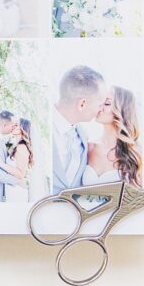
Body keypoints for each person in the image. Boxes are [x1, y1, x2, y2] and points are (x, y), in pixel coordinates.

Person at [52, 65, 106, 194]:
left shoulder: (83, 137)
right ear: (82, 104)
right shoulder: (41, 127)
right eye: (100, 104)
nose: (101, 110)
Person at [84, 86, 142, 187]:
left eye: (106, 103)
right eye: (100, 102)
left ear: (122, 110)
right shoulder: (88, 147)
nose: (100, 107)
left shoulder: (135, 152)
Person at [0, 117, 34, 202]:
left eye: (16, 125)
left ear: (22, 129)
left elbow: (21, 174)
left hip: (17, 190)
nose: (13, 126)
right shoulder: (15, 145)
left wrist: (1, 164)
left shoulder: (21, 147)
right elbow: (7, 148)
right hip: (12, 188)